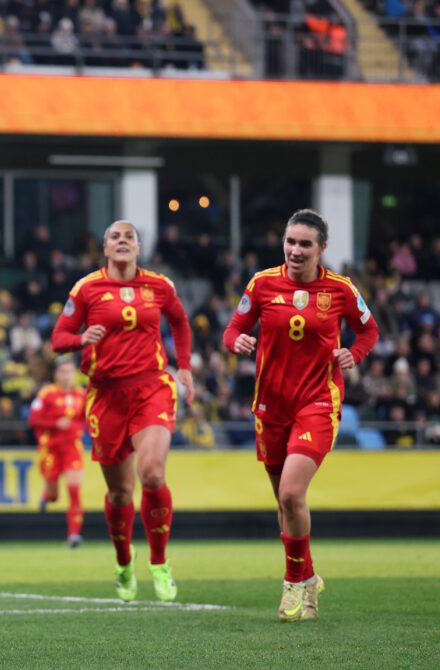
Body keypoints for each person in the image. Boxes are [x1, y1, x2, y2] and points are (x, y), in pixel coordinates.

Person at [223, 209, 378, 622]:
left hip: (317, 403)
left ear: (321, 249)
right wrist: (236, 340)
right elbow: (232, 328)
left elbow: (370, 331)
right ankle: (309, 578)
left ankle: (292, 585)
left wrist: (353, 353)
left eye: (305, 244)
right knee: (285, 503)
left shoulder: (341, 290)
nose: (295, 250)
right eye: (290, 242)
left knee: (292, 493)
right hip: (271, 406)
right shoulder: (261, 283)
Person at [51, 220, 194, 602]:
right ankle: (123, 561)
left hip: (152, 387)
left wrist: (183, 366)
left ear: (138, 246)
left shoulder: (160, 286)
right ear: (105, 248)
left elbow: (180, 321)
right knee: (119, 493)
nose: (123, 241)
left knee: (151, 474)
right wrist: (82, 339)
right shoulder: (87, 288)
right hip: (106, 395)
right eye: (115, 236)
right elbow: (58, 339)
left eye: (129, 236)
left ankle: (160, 563)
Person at [28, 356, 87, 547]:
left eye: (70, 371)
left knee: (74, 490)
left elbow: (87, 419)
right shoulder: (46, 394)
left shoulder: (81, 395)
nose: (66, 376)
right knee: (54, 493)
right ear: (56, 374)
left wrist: (80, 428)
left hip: (72, 447)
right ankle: (48, 495)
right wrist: (55, 424)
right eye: (63, 372)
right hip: (50, 448)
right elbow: (33, 420)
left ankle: (73, 535)